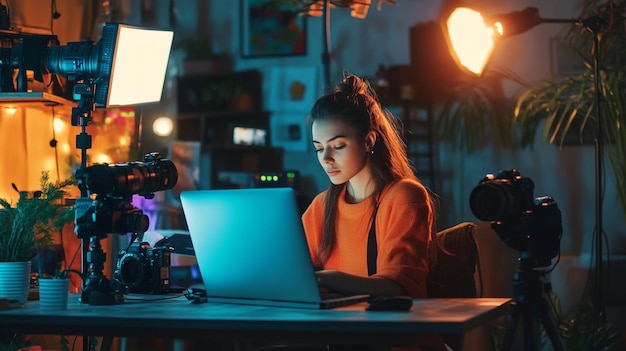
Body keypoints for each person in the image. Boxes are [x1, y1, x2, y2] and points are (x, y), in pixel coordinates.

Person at [301, 74, 446, 351]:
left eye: (338, 146)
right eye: (319, 148)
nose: (325, 159)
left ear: (368, 141)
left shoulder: (404, 197)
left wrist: (324, 279)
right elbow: (289, 268)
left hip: (398, 343)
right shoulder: (322, 206)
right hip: (345, 341)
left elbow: (397, 285)